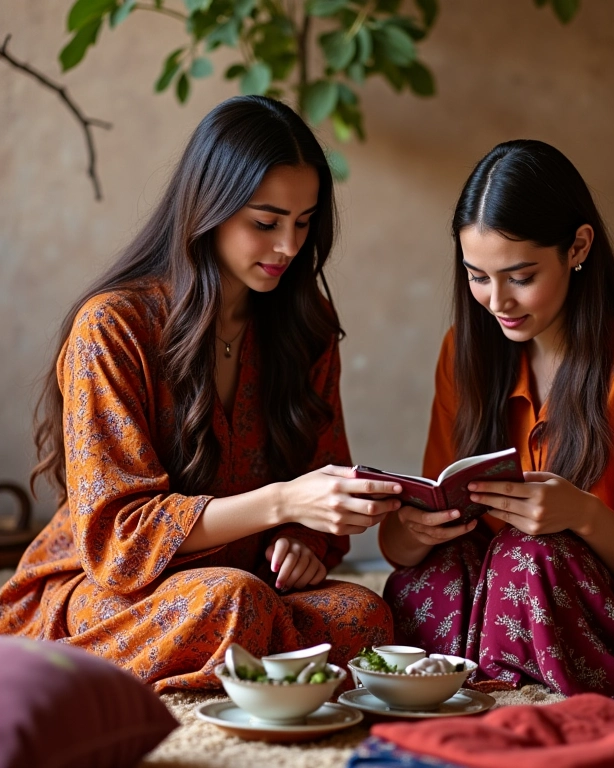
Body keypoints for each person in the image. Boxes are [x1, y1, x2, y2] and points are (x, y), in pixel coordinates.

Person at [0, 96, 403, 691]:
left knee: (364, 616)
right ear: (207, 210)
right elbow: (118, 541)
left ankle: (248, 659)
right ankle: (244, 659)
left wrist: (301, 539)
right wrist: (283, 504)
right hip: (110, 591)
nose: (288, 247)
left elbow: (319, 477)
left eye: (304, 221)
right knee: (232, 604)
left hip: (243, 581)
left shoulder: (306, 324)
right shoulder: (113, 327)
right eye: (265, 223)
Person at [379, 139, 614, 712]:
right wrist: (415, 530)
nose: (497, 302)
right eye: (477, 276)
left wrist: (583, 518)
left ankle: (505, 677)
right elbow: (404, 546)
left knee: (530, 554)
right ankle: (494, 663)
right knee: (427, 579)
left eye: (520, 276)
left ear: (578, 247)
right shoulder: (465, 354)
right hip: (502, 587)